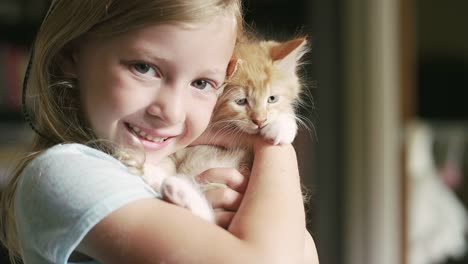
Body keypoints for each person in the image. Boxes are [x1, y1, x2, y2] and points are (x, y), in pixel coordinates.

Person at [0, 0, 319, 263]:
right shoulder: (64, 172)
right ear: (71, 54)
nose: (171, 110)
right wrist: (275, 148)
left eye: (202, 83)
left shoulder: (171, 164)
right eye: (144, 67)